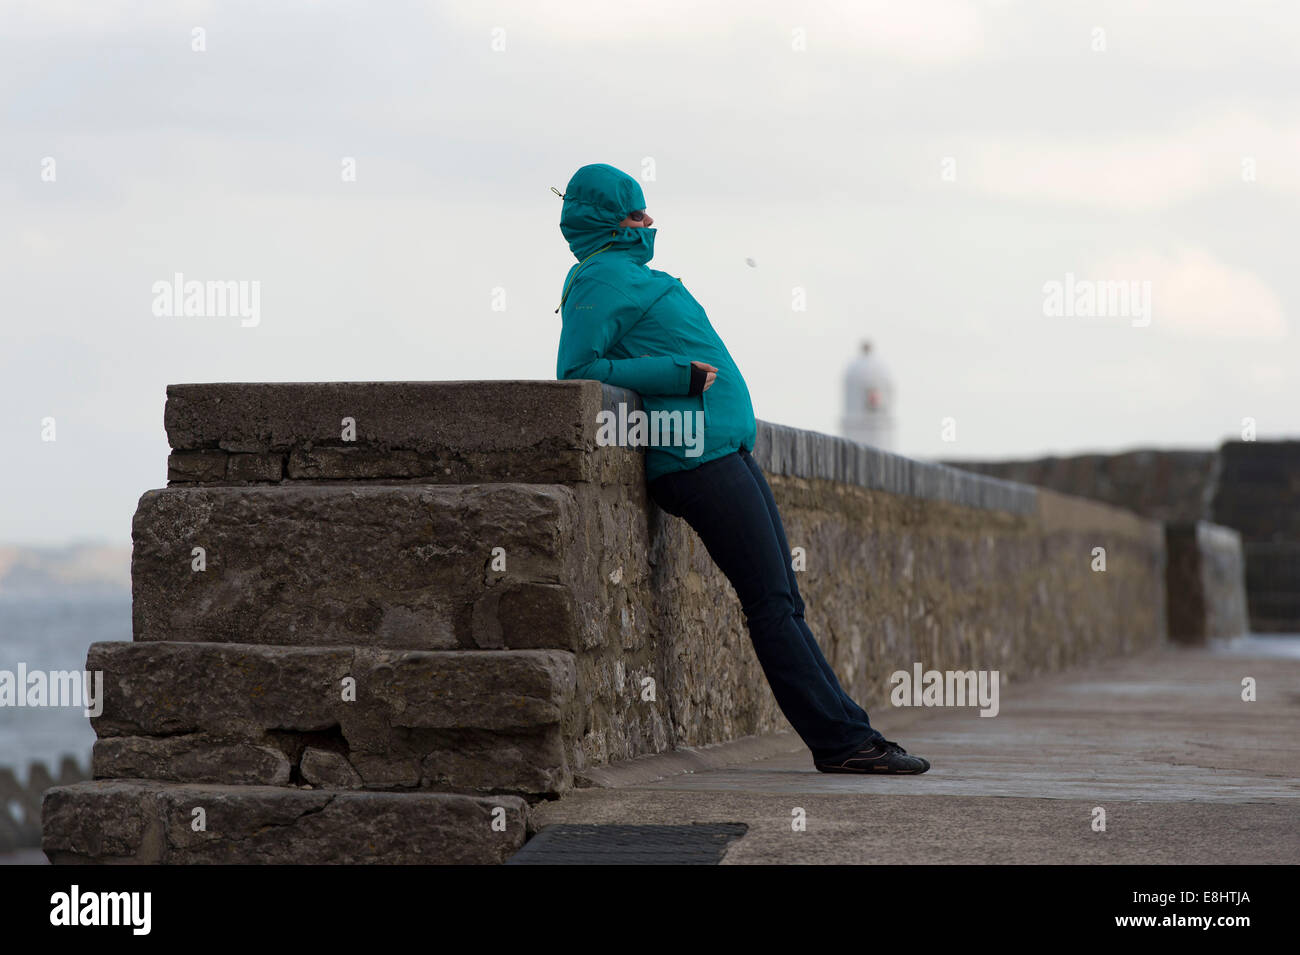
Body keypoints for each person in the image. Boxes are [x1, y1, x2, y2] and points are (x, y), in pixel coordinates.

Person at [553, 163, 929, 775]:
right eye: (634, 213)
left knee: (784, 600)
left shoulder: (625, 275)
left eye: (646, 211)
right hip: (693, 457)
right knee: (771, 606)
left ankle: (853, 735)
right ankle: (842, 744)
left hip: (722, 448)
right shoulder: (597, 280)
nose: (648, 222)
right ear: (605, 220)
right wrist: (678, 374)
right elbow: (576, 374)